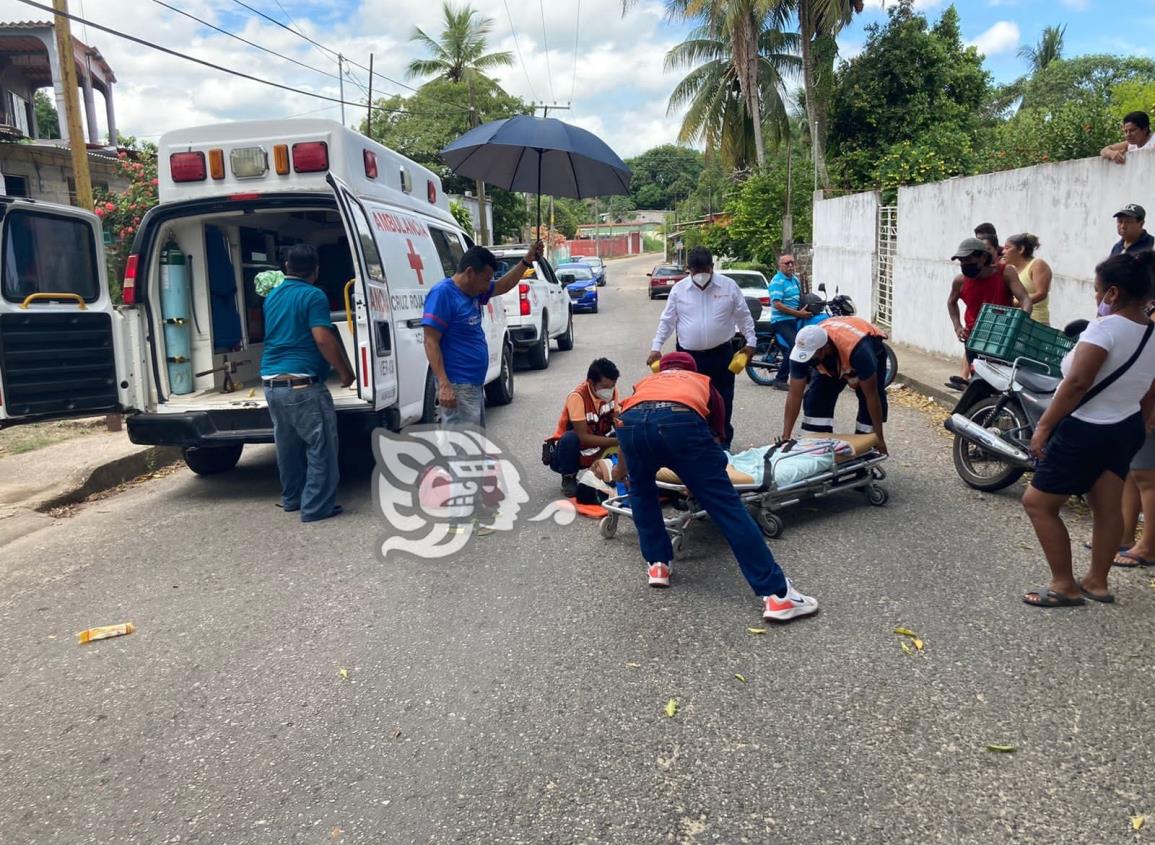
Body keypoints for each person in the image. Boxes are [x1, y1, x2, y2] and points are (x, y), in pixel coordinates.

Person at [614, 351, 818, 622]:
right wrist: (701, 479)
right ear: (693, 368)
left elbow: (629, 420)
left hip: (631, 424)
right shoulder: (702, 382)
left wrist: (621, 470)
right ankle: (778, 595)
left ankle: (658, 565)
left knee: (641, 492)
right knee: (727, 507)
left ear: (660, 369)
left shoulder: (644, 384)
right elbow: (717, 437)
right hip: (680, 421)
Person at [1022, 251, 1155, 607]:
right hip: (1125, 426)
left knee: (1037, 503)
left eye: (1098, 291)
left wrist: (1044, 427)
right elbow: (1151, 388)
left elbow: (1078, 381)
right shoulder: (1152, 332)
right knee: (1107, 507)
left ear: (1112, 293)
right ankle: (1097, 582)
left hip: (1085, 428)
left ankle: (1063, 584)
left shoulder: (1104, 328)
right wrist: (1139, 423)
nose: (1096, 298)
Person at [261, 244, 355, 523]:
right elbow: (322, 338)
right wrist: (345, 373)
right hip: (302, 384)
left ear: (285, 268)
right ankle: (316, 507)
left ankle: (292, 499)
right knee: (320, 445)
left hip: (271, 382)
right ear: (315, 270)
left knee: (288, 446)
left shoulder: (272, 296)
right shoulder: (314, 295)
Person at [423, 241, 543, 427]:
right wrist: (444, 383)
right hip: (457, 386)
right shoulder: (443, 294)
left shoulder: (473, 291)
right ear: (470, 272)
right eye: (486, 279)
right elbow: (430, 341)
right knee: (463, 451)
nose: (487, 285)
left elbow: (504, 285)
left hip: (474, 384)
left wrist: (526, 261)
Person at [647, 246, 756, 448]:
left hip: (721, 354)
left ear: (712, 267)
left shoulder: (728, 287)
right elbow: (667, 321)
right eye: (696, 271)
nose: (700, 275)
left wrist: (751, 343)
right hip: (688, 358)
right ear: (689, 269)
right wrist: (656, 347)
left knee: (723, 399)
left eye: (704, 270)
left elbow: (744, 317)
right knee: (688, 400)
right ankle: (694, 442)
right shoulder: (679, 290)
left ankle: (722, 442)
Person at [779, 317, 891, 454]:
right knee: (816, 400)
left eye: (811, 356)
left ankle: (866, 449)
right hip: (835, 354)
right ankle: (816, 450)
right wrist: (786, 435)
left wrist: (879, 437)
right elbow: (794, 394)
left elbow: (872, 397)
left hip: (867, 347)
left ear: (824, 348)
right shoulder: (802, 350)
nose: (806, 359)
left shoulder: (859, 350)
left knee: (867, 401)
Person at [946, 237, 1033, 386]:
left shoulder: (1005, 272)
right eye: (962, 261)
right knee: (979, 381)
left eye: (969, 260)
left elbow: (1025, 299)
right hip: (974, 338)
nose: (965, 265)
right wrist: (957, 327)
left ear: (983, 257)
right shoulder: (960, 281)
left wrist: (1021, 323)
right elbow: (951, 302)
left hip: (1002, 337)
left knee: (1002, 381)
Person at [545, 357, 621, 497]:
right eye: (605, 387)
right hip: (570, 452)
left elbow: (618, 422)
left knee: (623, 434)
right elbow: (582, 437)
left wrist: (624, 437)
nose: (610, 391)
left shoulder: (612, 392)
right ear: (591, 382)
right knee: (570, 438)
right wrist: (616, 442)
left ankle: (604, 470)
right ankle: (569, 478)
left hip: (597, 447)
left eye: (613, 386)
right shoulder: (577, 397)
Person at [768, 254, 811, 391]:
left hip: (795, 318)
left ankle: (808, 376)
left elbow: (801, 297)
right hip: (781, 321)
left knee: (808, 342)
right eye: (786, 263)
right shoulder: (777, 281)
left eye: (792, 263)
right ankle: (780, 379)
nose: (790, 266)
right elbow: (777, 305)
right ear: (780, 266)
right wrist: (799, 314)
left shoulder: (795, 280)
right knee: (795, 346)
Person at [1003, 233, 1052, 326]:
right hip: (1013, 322)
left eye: (1007, 248)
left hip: (1035, 322)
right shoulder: (1010, 269)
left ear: (1021, 249)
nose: (1003, 252)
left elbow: (1041, 293)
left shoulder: (1037, 265)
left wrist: (1012, 303)